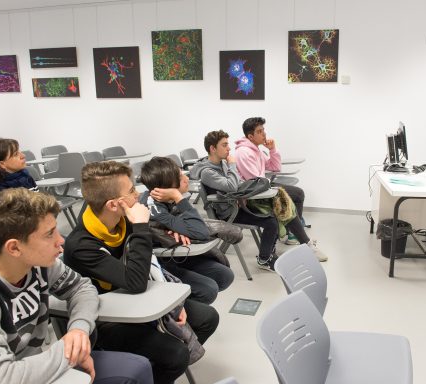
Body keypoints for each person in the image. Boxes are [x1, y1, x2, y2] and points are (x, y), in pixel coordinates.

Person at [0, 188, 153, 384]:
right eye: (49, 234)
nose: (61, 240)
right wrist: (69, 352)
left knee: (137, 370)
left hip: (38, 368)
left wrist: (78, 330)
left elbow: (81, 288)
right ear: (14, 248)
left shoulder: (36, 261)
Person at [63, 161, 219, 384]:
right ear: (114, 204)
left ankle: (159, 380)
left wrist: (169, 232)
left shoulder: (121, 219)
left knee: (208, 318)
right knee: (177, 355)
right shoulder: (81, 245)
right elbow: (135, 282)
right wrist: (141, 226)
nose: (138, 194)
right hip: (109, 320)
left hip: (139, 302)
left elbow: (149, 258)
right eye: (131, 191)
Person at [192, 130, 327, 272]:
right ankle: (265, 259)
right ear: (213, 148)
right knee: (271, 221)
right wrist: (232, 166)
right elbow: (232, 186)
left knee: (280, 206)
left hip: (240, 203)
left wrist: (234, 178)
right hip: (230, 212)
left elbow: (237, 183)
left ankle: (287, 249)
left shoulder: (222, 164)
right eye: (224, 145)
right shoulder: (207, 172)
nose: (229, 148)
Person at [139, 156, 234, 304]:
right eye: (180, 176)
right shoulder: (155, 208)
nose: (186, 178)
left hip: (174, 255)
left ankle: (188, 304)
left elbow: (189, 225)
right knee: (208, 290)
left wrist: (175, 226)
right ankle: (178, 309)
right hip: (160, 264)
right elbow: (200, 232)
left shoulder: (163, 200)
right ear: (167, 187)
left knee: (225, 275)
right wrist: (178, 197)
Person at [235, 116, 309, 245]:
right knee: (288, 199)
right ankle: (297, 235)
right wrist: (272, 188)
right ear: (250, 136)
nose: (264, 134)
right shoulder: (244, 152)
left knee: (298, 194)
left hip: (263, 186)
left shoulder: (256, 150)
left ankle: (292, 233)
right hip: (254, 193)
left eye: (263, 130)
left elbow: (275, 167)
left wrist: (272, 150)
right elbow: (254, 181)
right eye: (259, 131)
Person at [0, 138, 38, 212]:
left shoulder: (26, 178)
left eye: (20, 152)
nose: (23, 155)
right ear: (2, 164)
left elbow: (38, 206)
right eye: (16, 154)